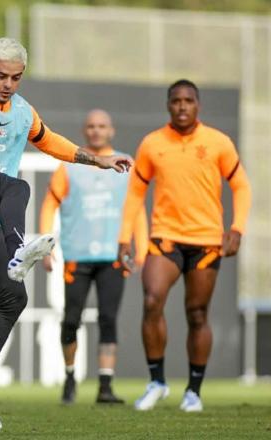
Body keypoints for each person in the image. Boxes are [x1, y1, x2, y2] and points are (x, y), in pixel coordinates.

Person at [0, 38, 132, 430]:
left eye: (16, 77)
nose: (9, 84)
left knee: (13, 296)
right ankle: (20, 250)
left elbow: (50, 141)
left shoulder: (21, 111)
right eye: (1, 76)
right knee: (16, 188)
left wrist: (100, 160)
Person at [118, 79, 252, 412]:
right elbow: (135, 192)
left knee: (197, 313)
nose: (182, 106)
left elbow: (242, 187)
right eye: (176, 100)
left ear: (198, 105)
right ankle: (157, 382)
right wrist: (124, 238)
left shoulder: (219, 142)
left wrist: (237, 228)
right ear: (168, 105)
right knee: (151, 300)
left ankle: (193, 391)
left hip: (207, 242)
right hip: (165, 237)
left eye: (188, 100)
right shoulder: (152, 144)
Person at [39, 109, 149, 405]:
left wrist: (143, 247)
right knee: (71, 319)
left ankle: (105, 386)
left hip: (113, 255)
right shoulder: (70, 166)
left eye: (102, 126)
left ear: (111, 130)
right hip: (77, 255)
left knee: (108, 319)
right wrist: (46, 246)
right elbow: (50, 204)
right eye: (91, 126)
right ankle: (71, 376)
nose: (96, 131)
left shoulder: (127, 164)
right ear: (84, 130)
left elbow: (135, 209)